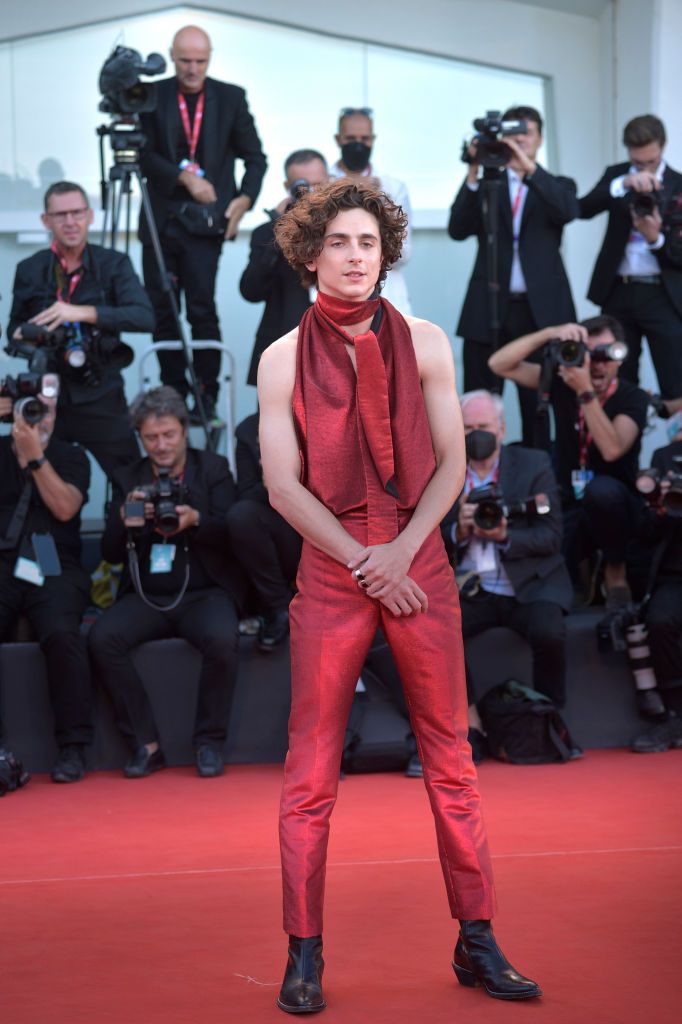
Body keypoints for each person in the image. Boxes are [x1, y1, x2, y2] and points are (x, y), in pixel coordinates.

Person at [258, 178, 540, 1012]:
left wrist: (402, 553)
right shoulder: (280, 357)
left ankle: (477, 939)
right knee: (309, 771)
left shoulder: (425, 341)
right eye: (339, 243)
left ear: (386, 254)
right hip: (331, 560)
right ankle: (302, 952)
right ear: (312, 254)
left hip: (416, 560)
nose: (354, 257)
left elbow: (452, 462)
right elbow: (282, 486)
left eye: (368, 244)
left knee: (451, 760)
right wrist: (360, 558)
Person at [88, 387, 244, 779]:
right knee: (102, 638)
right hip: (145, 592)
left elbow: (235, 535)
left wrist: (197, 520)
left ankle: (209, 742)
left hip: (203, 590)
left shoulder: (213, 468)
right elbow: (108, 553)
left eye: (169, 435)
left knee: (224, 639)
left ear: (184, 431)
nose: (160, 445)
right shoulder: (128, 477)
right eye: (151, 438)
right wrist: (125, 523)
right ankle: (145, 743)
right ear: (140, 438)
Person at [139, 24, 267, 420]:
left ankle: (206, 394)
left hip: (205, 225)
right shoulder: (152, 94)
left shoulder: (229, 97)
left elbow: (256, 159)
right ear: (171, 56)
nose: (192, 69)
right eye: (184, 61)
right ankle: (173, 392)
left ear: (209, 59)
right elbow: (138, 153)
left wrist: (243, 201)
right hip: (161, 221)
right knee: (161, 309)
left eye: (200, 61)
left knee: (201, 309)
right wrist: (184, 178)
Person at [489, 315, 649, 611]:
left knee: (601, 492)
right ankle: (585, 570)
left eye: (604, 355)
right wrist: (551, 333)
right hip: (568, 499)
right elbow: (499, 364)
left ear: (619, 357)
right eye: (588, 355)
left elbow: (613, 449)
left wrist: (585, 392)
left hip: (617, 504)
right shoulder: (562, 383)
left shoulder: (632, 397)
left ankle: (615, 573)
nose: (597, 365)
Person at [448, 105, 578, 446]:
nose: (519, 142)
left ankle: (539, 477)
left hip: (540, 312)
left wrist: (528, 170)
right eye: (512, 137)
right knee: (479, 396)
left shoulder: (555, 184)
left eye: (527, 136)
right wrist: (474, 168)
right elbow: (458, 228)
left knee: (538, 401)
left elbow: (567, 211)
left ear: (539, 140)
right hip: (488, 305)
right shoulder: (488, 185)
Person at [7, 180, 153, 481]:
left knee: (130, 481)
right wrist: (23, 335)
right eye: (60, 215)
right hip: (46, 395)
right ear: (46, 221)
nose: (70, 222)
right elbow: (13, 329)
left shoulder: (114, 264)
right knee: (36, 481)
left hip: (100, 392)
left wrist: (83, 313)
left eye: (77, 212)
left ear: (90, 215)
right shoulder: (29, 269)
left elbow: (144, 318)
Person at [442, 390, 572, 716]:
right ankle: (469, 724)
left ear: (502, 429)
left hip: (528, 582)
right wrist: (458, 530)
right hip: (470, 590)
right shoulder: (442, 471)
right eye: (468, 428)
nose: (477, 434)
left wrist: (504, 535)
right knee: (434, 635)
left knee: (549, 632)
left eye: (484, 425)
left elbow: (552, 536)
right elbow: (427, 539)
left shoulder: (533, 464)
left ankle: (549, 717)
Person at [0, 388, 92, 783]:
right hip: (3, 565)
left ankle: (73, 746)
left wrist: (35, 456)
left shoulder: (72, 455)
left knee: (63, 634)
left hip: (55, 564)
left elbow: (66, 507)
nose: (40, 416)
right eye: (30, 408)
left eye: (46, 409)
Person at [579, 114, 682, 396]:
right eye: (638, 162)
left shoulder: (679, 185)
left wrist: (656, 239)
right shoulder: (617, 175)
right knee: (617, 378)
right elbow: (581, 209)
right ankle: (623, 439)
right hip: (618, 293)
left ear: (662, 147)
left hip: (665, 296)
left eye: (650, 162)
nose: (644, 168)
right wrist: (623, 183)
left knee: (676, 379)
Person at [240, 150, 328, 386]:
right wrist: (279, 230)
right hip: (282, 348)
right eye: (303, 186)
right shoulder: (268, 232)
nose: (311, 194)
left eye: (318, 185)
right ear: (287, 187)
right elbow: (250, 291)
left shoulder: (343, 229)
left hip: (333, 348)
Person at [227, 412, 302, 651]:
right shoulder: (249, 429)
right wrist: (271, 482)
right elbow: (246, 493)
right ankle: (280, 608)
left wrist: (299, 476)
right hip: (282, 529)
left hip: (328, 525)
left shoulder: (327, 414)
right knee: (241, 516)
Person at [330, 107, 413, 314]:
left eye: (364, 139)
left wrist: (379, 200)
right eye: (351, 138)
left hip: (387, 298)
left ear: (373, 139)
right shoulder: (321, 183)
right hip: (335, 299)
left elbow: (403, 253)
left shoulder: (392, 187)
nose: (358, 145)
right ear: (338, 139)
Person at [630, 437, 682, 753]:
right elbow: (644, 532)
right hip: (675, 573)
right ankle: (675, 715)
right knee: (660, 621)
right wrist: (659, 508)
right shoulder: (665, 457)